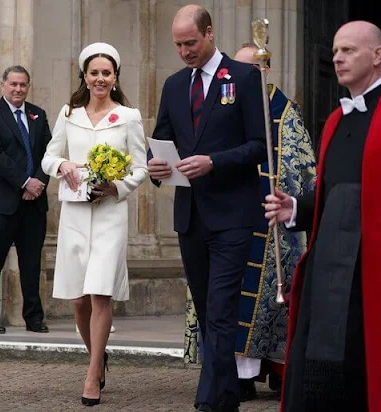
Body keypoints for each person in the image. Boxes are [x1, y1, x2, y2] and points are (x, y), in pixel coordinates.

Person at [265, 21, 381, 412]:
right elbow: (331, 193)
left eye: (348, 50)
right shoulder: (335, 120)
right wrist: (296, 207)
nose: (337, 58)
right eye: (335, 51)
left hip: (376, 274)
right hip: (329, 270)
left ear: (377, 56)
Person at [148, 5, 267, 412]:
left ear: (210, 34)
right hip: (191, 216)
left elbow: (259, 146)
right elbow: (161, 139)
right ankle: (227, 396)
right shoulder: (174, 85)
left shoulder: (246, 77)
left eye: (191, 43)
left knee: (220, 310)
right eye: (178, 45)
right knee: (205, 310)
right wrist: (156, 168)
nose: (184, 51)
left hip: (233, 215)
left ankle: (208, 402)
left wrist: (215, 161)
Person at [41, 42, 148, 406]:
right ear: (85, 77)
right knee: (77, 299)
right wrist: (63, 166)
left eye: (106, 73)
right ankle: (98, 356)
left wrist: (117, 186)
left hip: (109, 213)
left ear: (115, 77)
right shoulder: (69, 113)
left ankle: (91, 375)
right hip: (73, 212)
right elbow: (49, 157)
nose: (100, 78)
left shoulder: (129, 116)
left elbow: (141, 167)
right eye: (94, 73)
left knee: (101, 290)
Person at [233, 43, 316, 400]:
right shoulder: (225, 107)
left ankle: (279, 370)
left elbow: (302, 166)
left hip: (272, 219)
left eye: (250, 68)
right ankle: (238, 375)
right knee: (233, 297)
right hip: (233, 215)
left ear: (266, 68)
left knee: (274, 298)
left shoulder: (285, 113)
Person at [0, 65, 51, 334]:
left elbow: (49, 153)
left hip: (34, 202)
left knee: (31, 262)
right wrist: (25, 181)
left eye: (23, 85)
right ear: (3, 85)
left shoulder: (38, 115)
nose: (18, 89)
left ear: (28, 87)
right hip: (1, 202)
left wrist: (39, 182)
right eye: (13, 84)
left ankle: (34, 318)